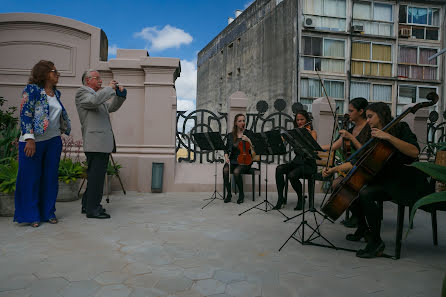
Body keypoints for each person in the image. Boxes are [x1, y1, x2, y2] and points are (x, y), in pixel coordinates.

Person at [322, 102, 432, 258]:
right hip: (383, 179)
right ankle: (365, 230)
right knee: (352, 188)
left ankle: (375, 242)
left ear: (381, 114)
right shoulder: (370, 134)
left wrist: (388, 136)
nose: (367, 121)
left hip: (402, 180)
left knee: (366, 193)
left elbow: (414, 152)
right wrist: (333, 170)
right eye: (367, 117)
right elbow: (358, 160)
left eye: (370, 116)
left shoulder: (400, 128)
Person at [14, 60, 71, 227]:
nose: (57, 74)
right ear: (45, 73)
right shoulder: (32, 90)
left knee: (50, 178)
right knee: (30, 178)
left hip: (53, 141)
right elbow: (25, 114)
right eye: (54, 71)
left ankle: (48, 212)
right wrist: (30, 139)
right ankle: (31, 215)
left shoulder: (56, 93)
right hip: (33, 141)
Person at [75, 70, 127, 219]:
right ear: (87, 81)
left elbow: (111, 108)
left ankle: (87, 205)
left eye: (100, 78)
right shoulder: (82, 93)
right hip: (95, 143)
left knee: (94, 177)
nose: (100, 80)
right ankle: (93, 209)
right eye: (96, 78)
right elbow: (93, 101)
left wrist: (119, 96)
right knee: (97, 178)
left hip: (101, 143)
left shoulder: (98, 97)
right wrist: (109, 89)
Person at [320, 97, 371, 227]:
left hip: (366, 168)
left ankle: (360, 219)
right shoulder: (351, 129)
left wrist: (352, 138)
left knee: (339, 185)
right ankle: (359, 218)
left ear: (360, 111)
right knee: (336, 184)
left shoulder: (369, 128)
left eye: (351, 110)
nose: (348, 113)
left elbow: (366, 153)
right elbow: (335, 145)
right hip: (353, 167)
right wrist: (316, 147)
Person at [273, 110, 317, 210]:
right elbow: (282, 140)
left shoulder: (312, 132)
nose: (300, 122)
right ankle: (280, 199)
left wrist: (307, 135)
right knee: (279, 169)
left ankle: (301, 199)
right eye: (297, 120)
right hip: (297, 162)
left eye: (302, 119)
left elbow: (312, 146)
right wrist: (283, 138)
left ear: (307, 120)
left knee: (292, 175)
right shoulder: (294, 132)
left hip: (308, 164)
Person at [223, 114, 254, 204]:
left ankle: (241, 194)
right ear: (236, 123)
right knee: (225, 170)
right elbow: (226, 149)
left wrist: (248, 140)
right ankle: (229, 194)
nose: (242, 123)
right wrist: (226, 157)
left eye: (243, 121)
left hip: (245, 161)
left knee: (236, 172)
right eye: (240, 121)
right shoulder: (230, 135)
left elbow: (255, 148)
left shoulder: (249, 133)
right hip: (233, 160)